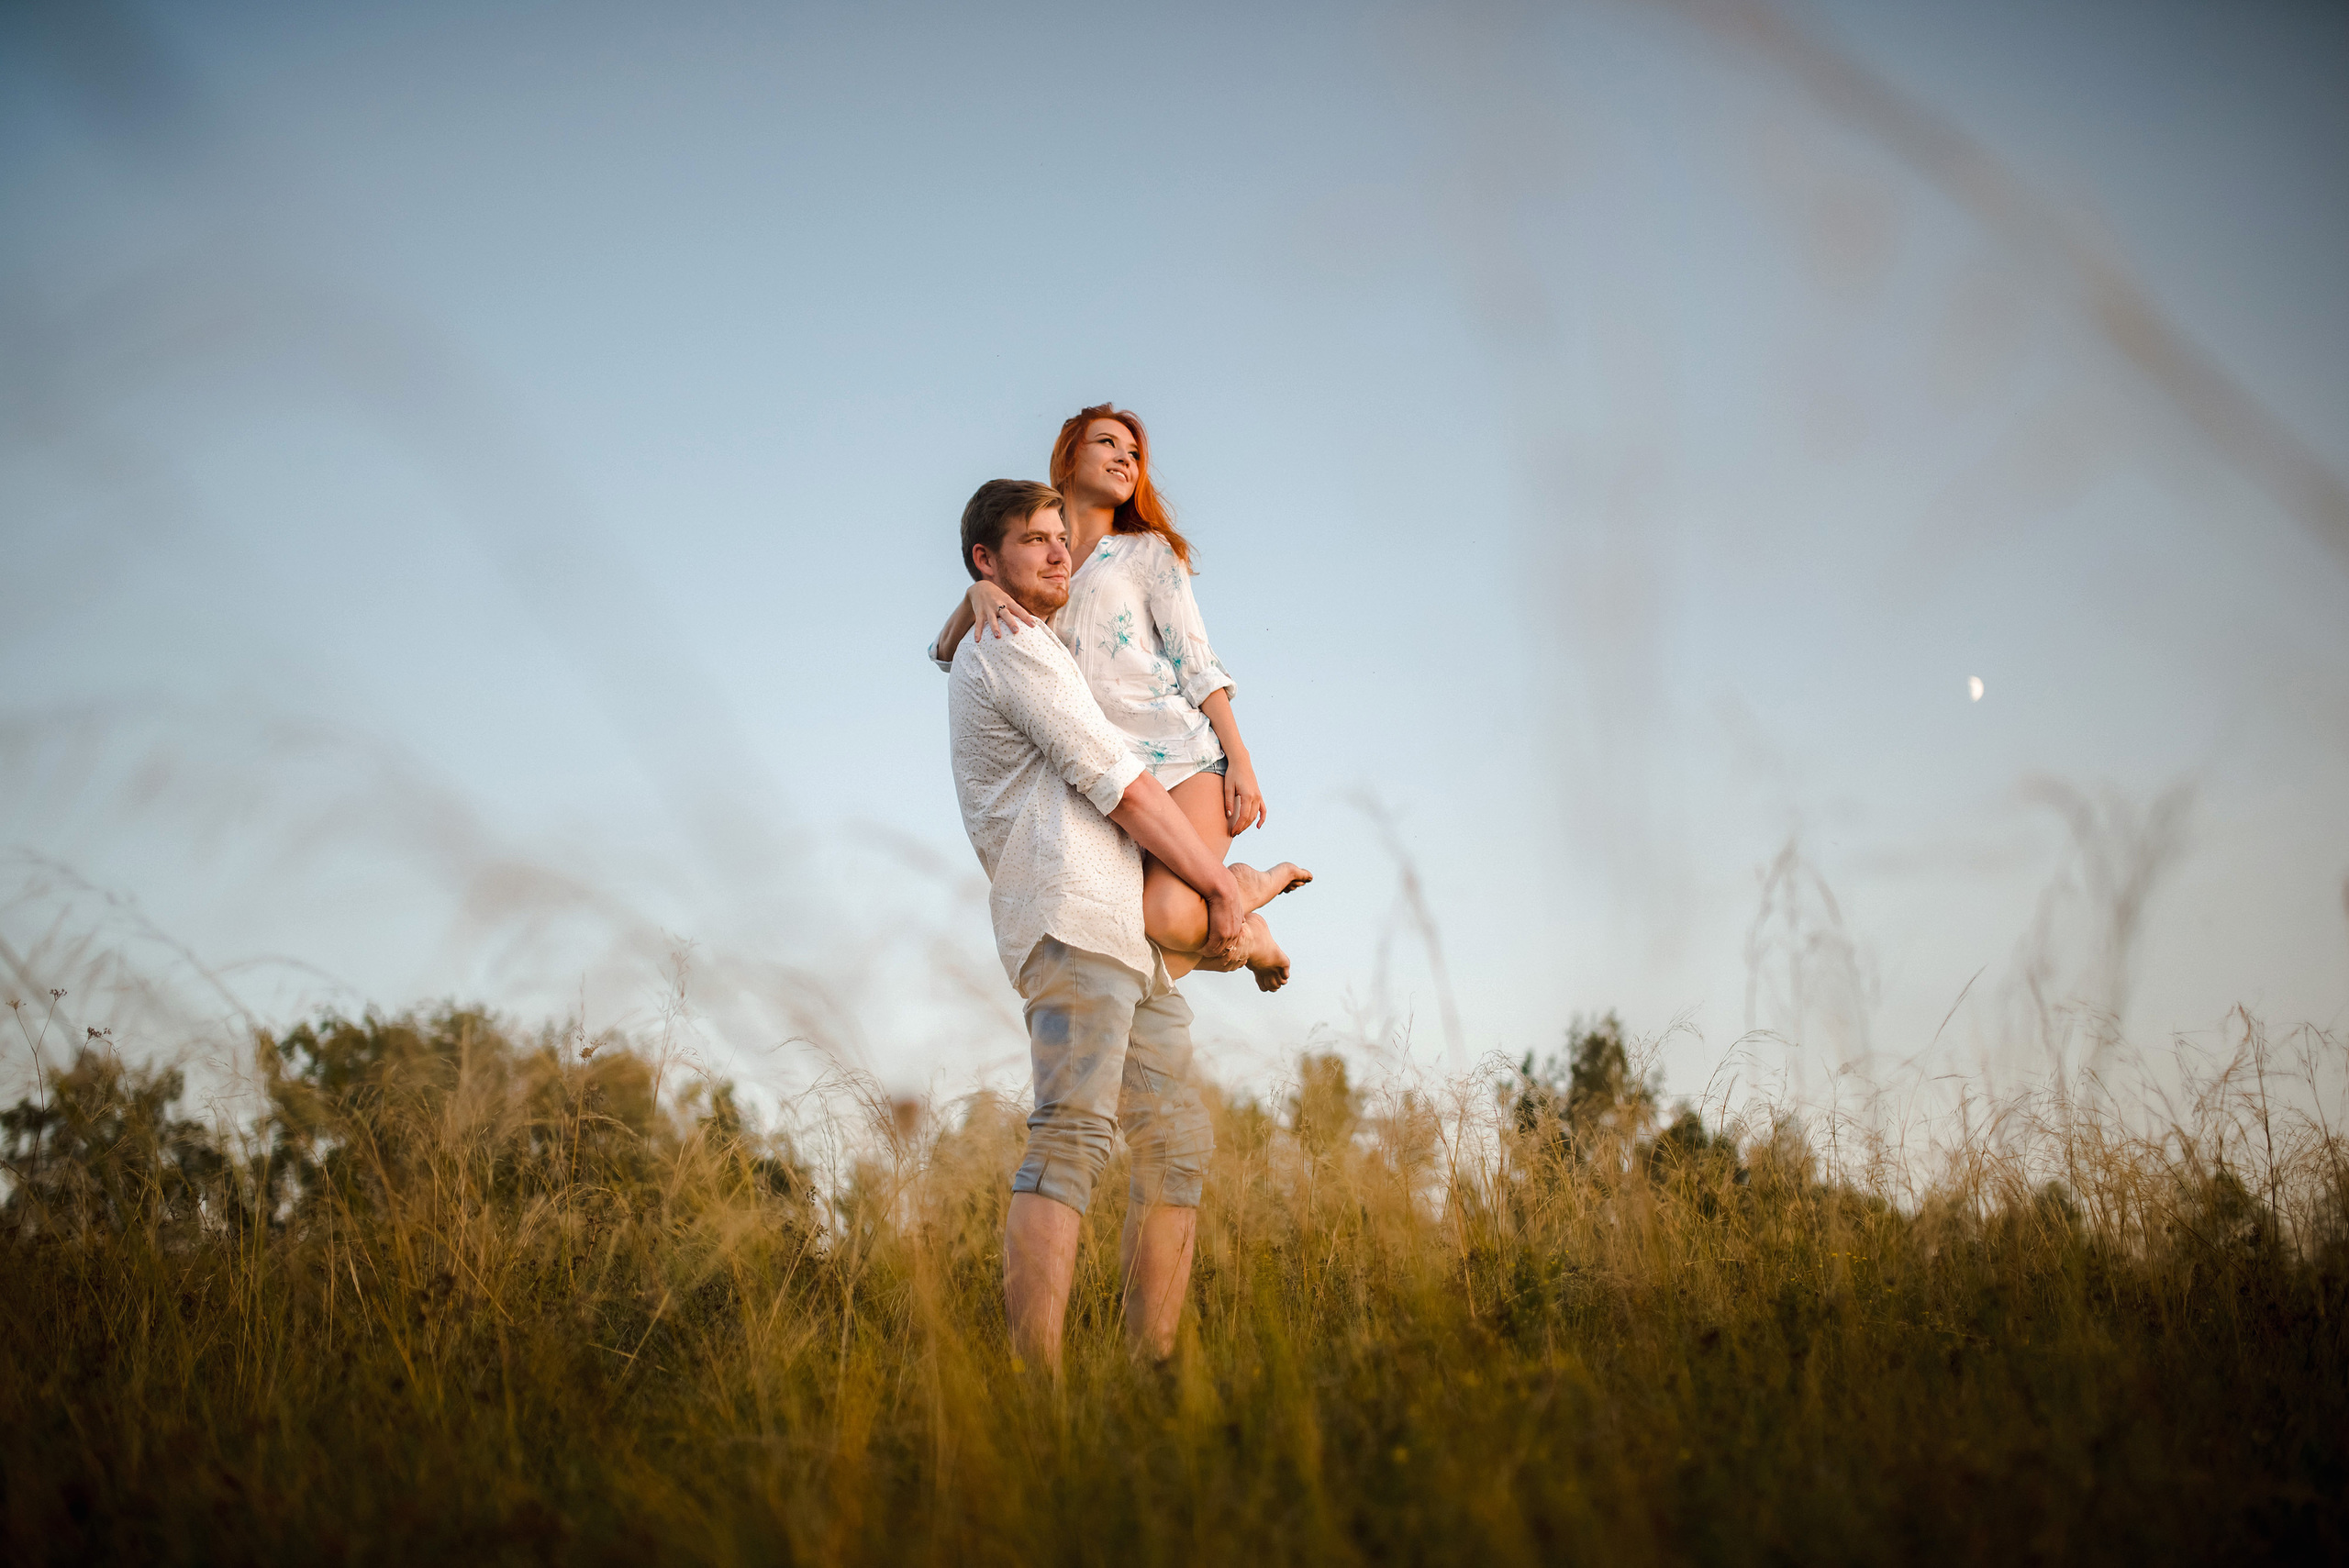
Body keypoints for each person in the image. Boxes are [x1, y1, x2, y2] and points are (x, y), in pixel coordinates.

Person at [944, 479, 1300, 1373]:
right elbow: (1127, 786)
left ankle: (1154, 1365)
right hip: (1068, 920)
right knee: (1071, 1132)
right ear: (988, 560)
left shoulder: (1016, 631)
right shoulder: (1011, 644)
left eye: (1062, 537)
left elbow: (948, 633)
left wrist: (974, 592)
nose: (1059, 551)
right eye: (1032, 540)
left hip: (1121, 936)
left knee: (1176, 1142)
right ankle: (1036, 1386)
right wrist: (1220, 887)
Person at [931, 405, 1308, 989]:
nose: (1124, 460)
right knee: (1130, 938)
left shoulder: (1150, 552)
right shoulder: (1040, 562)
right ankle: (1243, 917)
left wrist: (1241, 761)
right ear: (1069, 456)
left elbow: (1197, 661)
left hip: (1184, 763)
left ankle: (1246, 903)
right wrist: (978, 591)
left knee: (1163, 917)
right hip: (1108, 777)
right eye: (1107, 443)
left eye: (1134, 454)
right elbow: (947, 653)